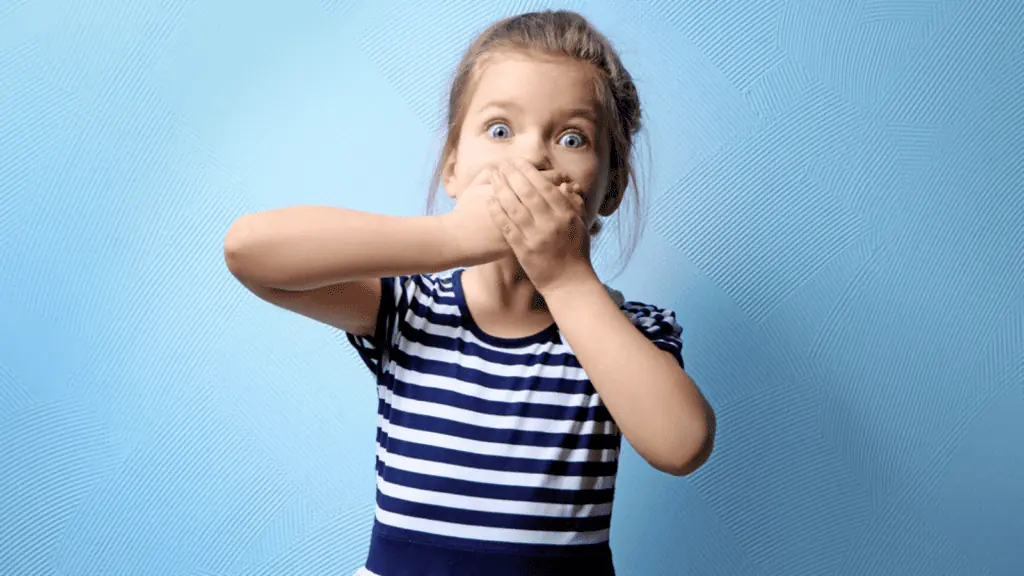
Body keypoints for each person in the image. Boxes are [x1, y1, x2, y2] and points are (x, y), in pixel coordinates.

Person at [223, 9, 715, 576]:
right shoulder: (412, 308)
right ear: (453, 165)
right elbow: (249, 252)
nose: (531, 157)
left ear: (611, 186)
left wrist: (564, 278)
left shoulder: (627, 330)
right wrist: (452, 236)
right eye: (501, 130)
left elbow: (682, 444)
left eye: (572, 137)